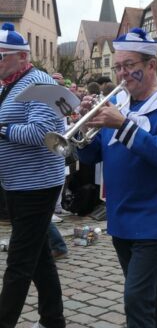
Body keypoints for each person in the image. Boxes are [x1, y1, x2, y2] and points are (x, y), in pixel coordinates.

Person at [75, 28, 157, 327]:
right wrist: (83, 129)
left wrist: (123, 125)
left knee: (136, 298)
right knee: (150, 295)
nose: (122, 74)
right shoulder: (121, 104)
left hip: (155, 213)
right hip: (121, 212)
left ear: (150, 65)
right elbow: (92, 157)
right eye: (118, 67)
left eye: (129, 66)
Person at [0, 23, 67, 327]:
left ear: (22, 56)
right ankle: (53, 319)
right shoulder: (7, 84)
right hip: (17, 182)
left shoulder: (42, 84)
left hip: (37, 184)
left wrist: (2, 129)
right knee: (39, 257)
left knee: (19, 263)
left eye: (1, 56)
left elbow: (44, 132)